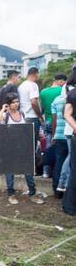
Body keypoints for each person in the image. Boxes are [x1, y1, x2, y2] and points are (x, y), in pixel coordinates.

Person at [0, 93, 44, 206]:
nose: (16, 104)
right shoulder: (6, 115)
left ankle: (33, 194)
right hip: (10, 148)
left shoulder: (21, 113)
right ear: (8, 104)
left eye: (17, 101)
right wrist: (3, 109)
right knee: (10, 172)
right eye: (13, 102)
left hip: (23, 147)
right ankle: (11, 194)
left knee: (28, 172)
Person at [40, 74, 67, 178]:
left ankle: (46, 171)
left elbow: (41, 106)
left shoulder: (43, 92)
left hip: (47, 121)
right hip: (59, 123)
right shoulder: (62, 91)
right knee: (61, 149)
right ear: (61, 81)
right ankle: (58, 170)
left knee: (48, 147)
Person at [18, 67, 44, 152]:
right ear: (35, 74)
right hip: (32, 117)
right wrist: (40, 116)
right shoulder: (33, 85)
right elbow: (33, 102)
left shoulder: (21, 86)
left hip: (23, 117)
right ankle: (34, 164)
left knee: (26, 143)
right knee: (33, 144)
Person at [51, 89, 69, 198]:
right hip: (70, 134)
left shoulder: (56, 100)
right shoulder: (71, 98)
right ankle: (67, 189)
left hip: (58, 135)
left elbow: (54, 119)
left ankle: (56, 190)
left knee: (59, 163)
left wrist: (53, 135)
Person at [62, 67, 76, 216]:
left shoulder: (71, 93)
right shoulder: (72, 93)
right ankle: (70, 206)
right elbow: (67, 114)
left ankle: (70, 206)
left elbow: (67, 114)